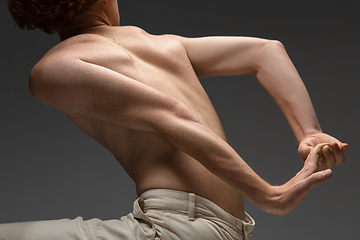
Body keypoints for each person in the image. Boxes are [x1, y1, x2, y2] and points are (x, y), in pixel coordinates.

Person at [3, 0, 348, 239]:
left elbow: (171, 116)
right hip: (219, 228)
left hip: (174, 231)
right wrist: (309, 131)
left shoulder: (55, 69)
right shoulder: (162, 45)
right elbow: (264, 51)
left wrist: (271, 196)